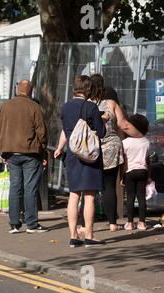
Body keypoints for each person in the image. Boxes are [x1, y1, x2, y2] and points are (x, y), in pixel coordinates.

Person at [54, 75, 106, 247]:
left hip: (72, 156)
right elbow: (101, 132)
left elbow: (66, 130)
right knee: (89, 196)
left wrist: (60, 148)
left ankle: (73, 236)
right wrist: (102, 119)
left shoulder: (66, 107)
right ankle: (89, 235)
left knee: (73, 195)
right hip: (89, 156)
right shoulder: (91, 107)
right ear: (88, 89)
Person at [88, 75, 143, 232]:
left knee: (89, 188)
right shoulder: (111, 104)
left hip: (91, 149)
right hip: (111, 149)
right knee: (109, 186)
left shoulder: (85, 105)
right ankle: (113, 223)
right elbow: (124, 125)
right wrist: (140, 135)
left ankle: (86, 224)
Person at [0, 80, 48, 234]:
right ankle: (31, 224)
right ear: (31, 91)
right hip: (30, 152)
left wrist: (4, 151)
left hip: (11, 153)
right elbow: (42, 132)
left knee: (15, 188)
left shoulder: (5, 106)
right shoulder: (34, 106)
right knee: (30, 189)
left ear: (17, 89)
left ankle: (14, 224)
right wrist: (43, 149)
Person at [122, 114, 151, 231]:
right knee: (141, 197)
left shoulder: (125, 142)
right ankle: (142, 223)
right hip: (143, 171)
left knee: (130, 197)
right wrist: (149, 176)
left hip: (129, 171)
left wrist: (122, 176)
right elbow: (148, 161)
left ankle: (130, 223)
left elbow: (123, 162)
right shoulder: (146, 142)